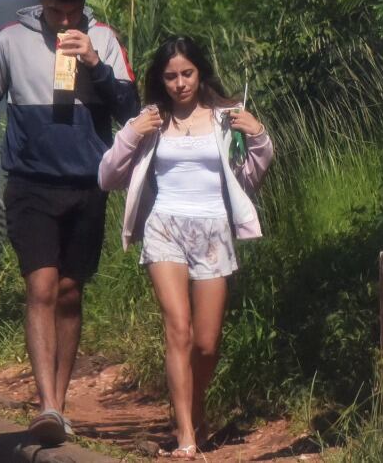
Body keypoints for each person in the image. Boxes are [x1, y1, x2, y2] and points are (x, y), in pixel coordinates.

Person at [0, 0, 139, 446]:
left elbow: (130, 110)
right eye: (56, 12)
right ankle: (48, 406)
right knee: (39, 286)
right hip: (31, 184)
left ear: (83, 8)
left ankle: (61, 403)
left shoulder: (102, 39)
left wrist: (95, 66)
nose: (64, 22)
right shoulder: (10, 40)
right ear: (41, 1)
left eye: (72, 13)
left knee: (69, 292)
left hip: (87, 184)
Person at [98, 37, 274, 459]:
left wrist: (259, 137)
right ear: (161, 80)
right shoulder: (152, 121)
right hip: (165, 229)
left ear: (200, 72)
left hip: (214, 229)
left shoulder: (223, 118)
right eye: (171, 76)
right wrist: (129, 133)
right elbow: (106, 176)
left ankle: (195, 407)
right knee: (178, 329)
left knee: (206, 343)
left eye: (187, 74)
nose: (179, 84)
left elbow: (250, 177)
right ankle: (186, 436)